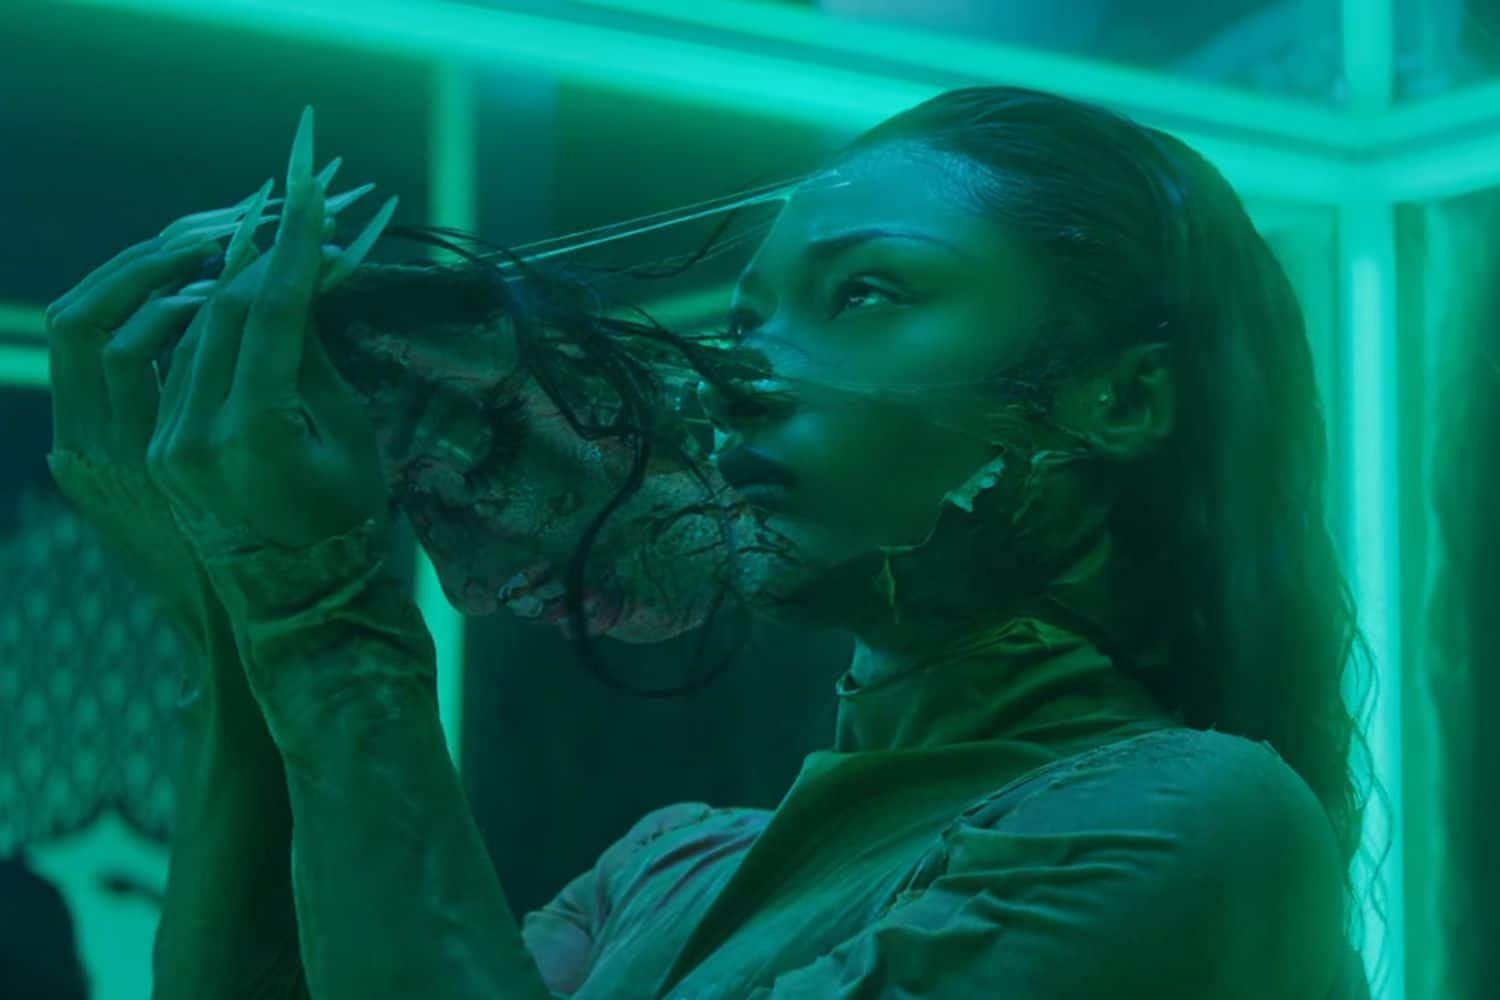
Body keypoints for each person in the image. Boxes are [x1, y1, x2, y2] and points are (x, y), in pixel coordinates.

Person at [43, 87, 1379, 998]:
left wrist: (319, 614)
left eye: (866, 292)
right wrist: (230, 605)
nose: (740, 379)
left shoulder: (1189, 823)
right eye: (746, 322)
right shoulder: (665, 867)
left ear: (1126, 400)